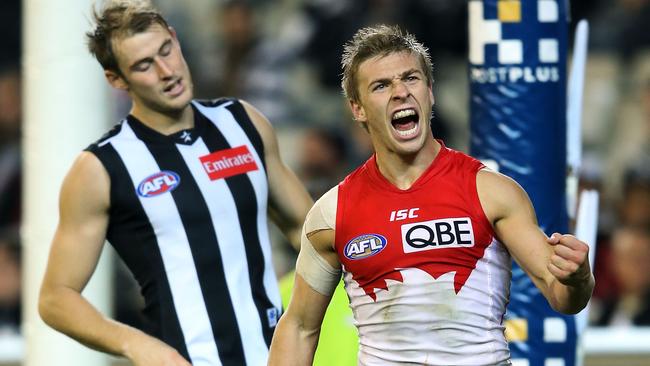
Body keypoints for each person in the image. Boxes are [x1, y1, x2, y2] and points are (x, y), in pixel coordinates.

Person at [268, 25, 594, 365]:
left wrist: (579, 277)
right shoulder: (332, 213)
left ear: (430, 92)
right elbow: (299, 327)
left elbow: (563, 297)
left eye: (410, 78)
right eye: (381, 85)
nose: (400, 92)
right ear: (358, 109)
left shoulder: (491, 191)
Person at [38, 1, 312, 366]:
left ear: (176, 39)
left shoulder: (244, 123)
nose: (167, 71)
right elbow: (55, 297)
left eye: (166, 50)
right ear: (117, 80)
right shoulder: (101, 168)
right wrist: (136, 344)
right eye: (144, 65)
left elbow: (307, 230)